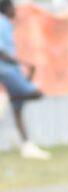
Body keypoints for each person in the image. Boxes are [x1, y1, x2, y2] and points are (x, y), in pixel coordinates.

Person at [0, 0, 49, 160]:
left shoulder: (7, 24)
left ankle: (26, 145)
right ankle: (7, 98)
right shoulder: (1, 22)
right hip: (6, 70)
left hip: (11, 69)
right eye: (13, 7)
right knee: (37, 93)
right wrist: (20, 62)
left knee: (18, 109)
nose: (16, 10)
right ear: (7, 8)